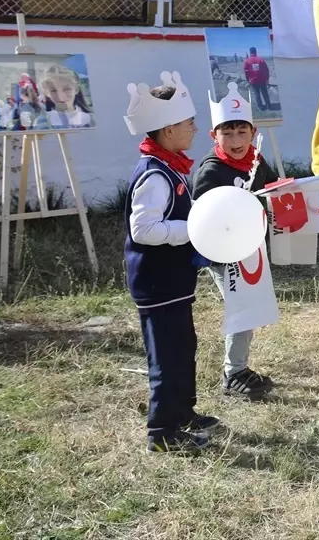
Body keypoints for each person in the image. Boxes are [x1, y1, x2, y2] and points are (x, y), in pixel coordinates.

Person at [122, 72, 220, 454]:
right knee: (167, 355)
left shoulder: (173, 165)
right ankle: (161, 432)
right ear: (165, 131)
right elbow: (144, 229)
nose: (195, 127)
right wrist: (192, 229)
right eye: (187, 122)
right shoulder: (155, 174)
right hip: (157, 283)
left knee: (184, 345)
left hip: (174, 282)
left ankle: (183, 413)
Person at [191, 82, 281, 399]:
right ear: (214, 136)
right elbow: (203, 216)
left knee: (251, 308)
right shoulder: (211, 170)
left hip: (251, 249)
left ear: (252, 131)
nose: (235, 140)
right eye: (227, 133)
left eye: (242, 132)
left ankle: (239, 366)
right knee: (242, 308)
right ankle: (233, 373)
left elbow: (271, 189)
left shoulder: (255, 160)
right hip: (223, 254)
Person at [41, 64, 94, 129]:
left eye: (67, 89)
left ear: (76, 90)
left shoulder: (90, 120)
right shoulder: (43, 122)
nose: (60, 96)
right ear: (46, 93)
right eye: (53, 90)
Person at [242, 46, 272, 111]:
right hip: (262, 79)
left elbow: (246, 72)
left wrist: (248, 80)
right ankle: (268, 105)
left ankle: (261, 107)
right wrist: (267, 78)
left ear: (250, 52)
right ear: (256, 51)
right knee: (265, 93)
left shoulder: (247, 61)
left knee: (256, 94)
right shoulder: (261, 59)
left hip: (253, 81)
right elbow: (266, 70)